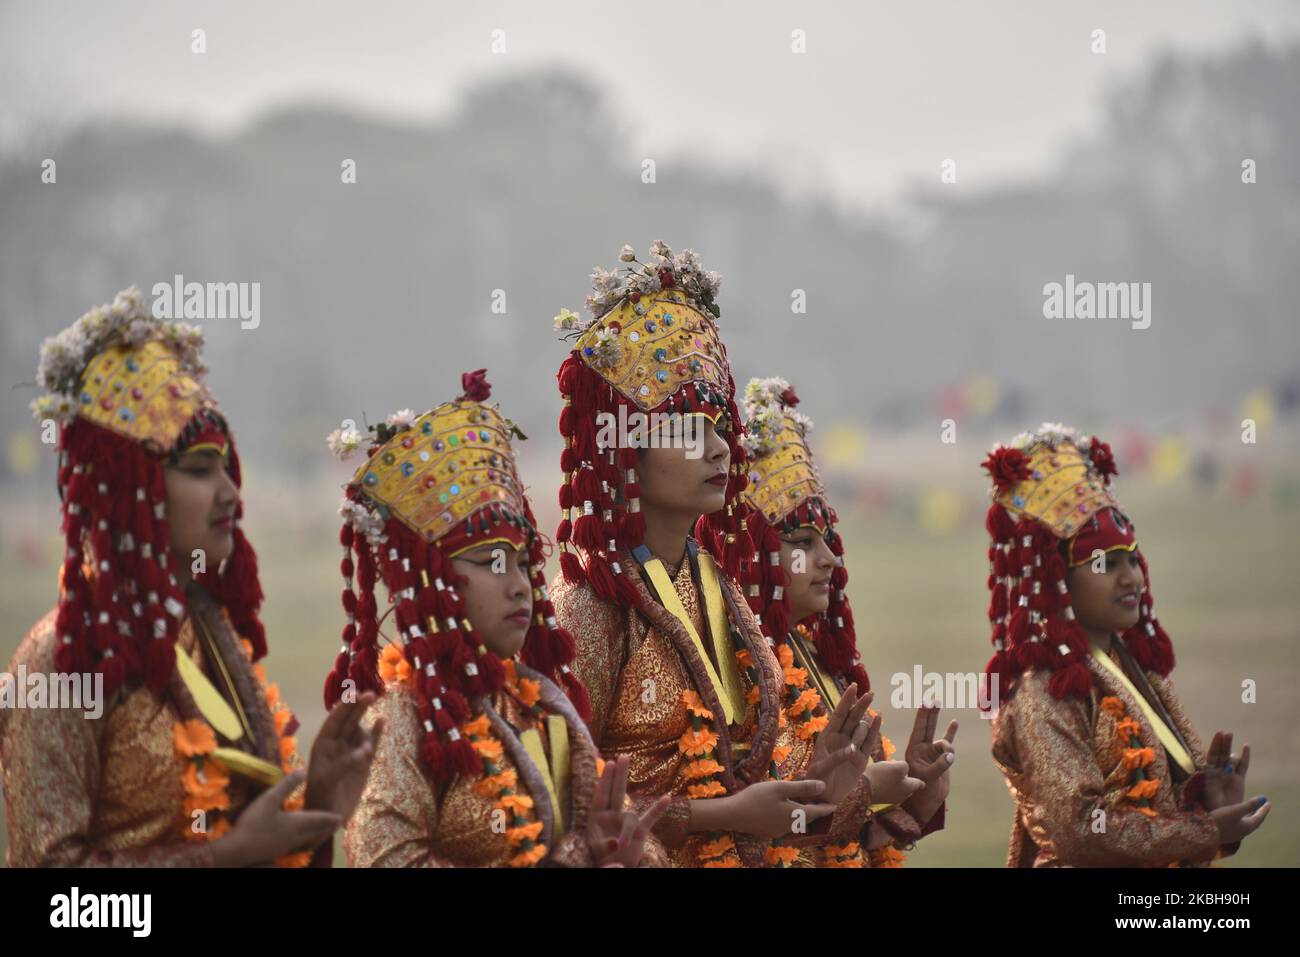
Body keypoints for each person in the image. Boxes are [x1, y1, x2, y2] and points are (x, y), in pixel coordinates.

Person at [2, 287, 378, 867]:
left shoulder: (207, 632)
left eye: (227, 469)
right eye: (202, 470)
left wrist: (321, 799)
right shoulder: (64, 656)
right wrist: (223, 858)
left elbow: (255, 843)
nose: (230, 491)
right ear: (132, 486)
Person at [550, 242, 874, 867]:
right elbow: (567, 813)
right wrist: (716, 817)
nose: (721, 448)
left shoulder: (721, 591)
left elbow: (761, 786)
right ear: (625, 452)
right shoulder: (587, 609)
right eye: (689, 430)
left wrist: (831, 787)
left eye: (720, 425)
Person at [330, 370, 667, 867]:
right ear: (430, 581)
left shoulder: (539, 704)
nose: (518, 585)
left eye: (520, 561)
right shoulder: (400, 721)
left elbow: (630, 834)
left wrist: (630, 853)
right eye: (491, 562)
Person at [981, 423, 1270, 866]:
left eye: (1133, 558)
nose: (1130, 577)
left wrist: (1206, 802)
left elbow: (1155, 808)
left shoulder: (1130, 666)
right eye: (1106, 564)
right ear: (1058, 579)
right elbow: (1082, 832)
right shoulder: (1044, 691)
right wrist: (1205, 829)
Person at [728, 376, 955, 866]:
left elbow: (853, 839)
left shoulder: (814, 660)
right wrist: (866, 790)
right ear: (754, 554)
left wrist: (918, 796)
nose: (830, 558)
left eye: (827, 540)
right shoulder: (733, 667)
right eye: (803, 542)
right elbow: (751, 833)